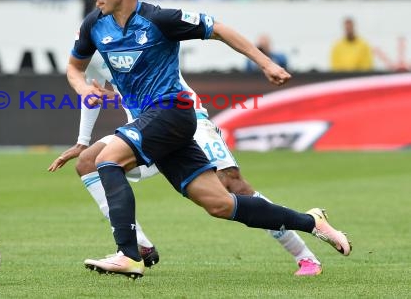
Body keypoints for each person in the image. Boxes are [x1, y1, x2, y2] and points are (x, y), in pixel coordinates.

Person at [66, 0, 351, 279]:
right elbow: (75, 69)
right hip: (148, 125)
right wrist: (83, 93)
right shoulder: (94, 25)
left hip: (175, 111)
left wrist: (266, 63)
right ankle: (312, 222)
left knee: (110, 161)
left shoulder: (160, 19)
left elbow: (218, 29)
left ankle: (130, 253)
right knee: (219, 204)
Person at [50, 50, 324, 276]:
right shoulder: (95, 43)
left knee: (233, 187)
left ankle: (305, 254)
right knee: (89, 162)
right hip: (145, 129)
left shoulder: (145, 26)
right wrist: (83, 140)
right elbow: (90, 89)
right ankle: (139, 246)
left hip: (187, 118)